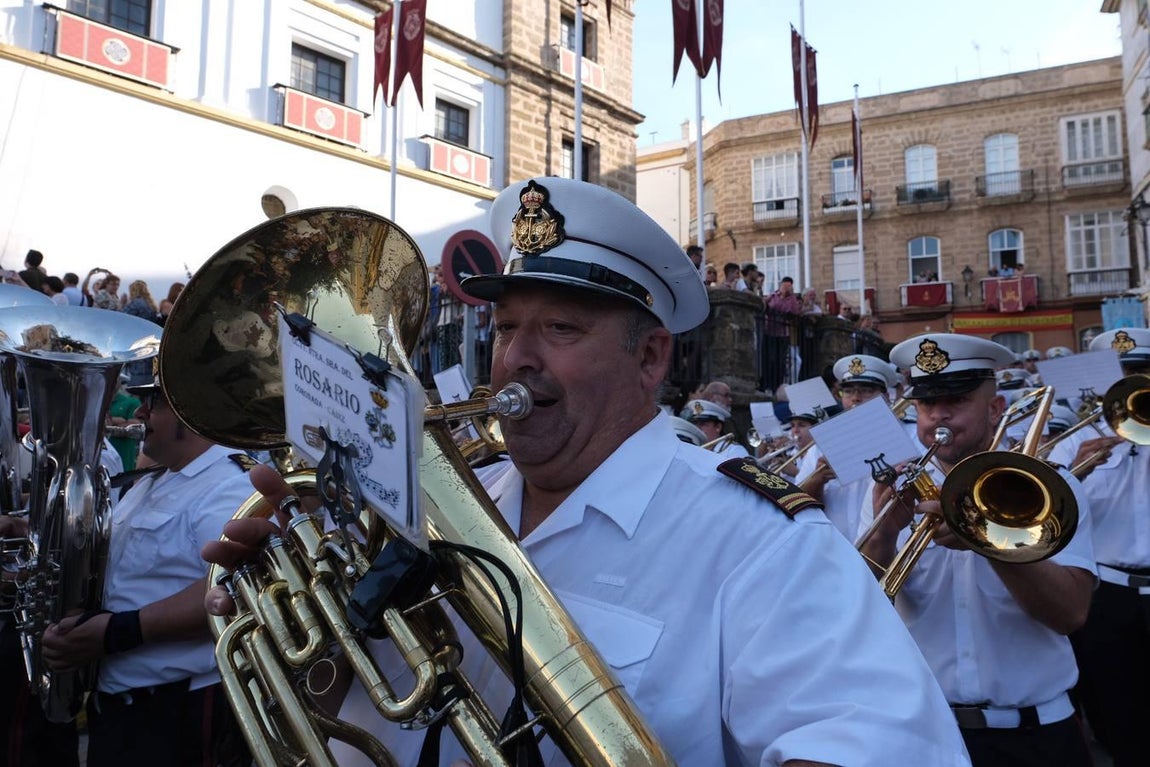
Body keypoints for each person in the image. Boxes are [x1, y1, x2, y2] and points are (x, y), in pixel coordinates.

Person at [204, 177, 969, 766]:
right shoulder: (423, 510)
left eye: (559, 328)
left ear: (649, 357)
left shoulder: (760, 541)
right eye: (505, 328)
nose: (515, 358)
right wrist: (319, 621)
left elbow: (880, 744)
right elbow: (356, 716)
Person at [858, 333, 1097, 767]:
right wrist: (883, 534)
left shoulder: (1052, 487)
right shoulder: (894, 488)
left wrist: (986, 541)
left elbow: (1070, 614)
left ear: (995, 409)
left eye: (956, 401)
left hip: (1036, 736)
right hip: (927, 731)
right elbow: (857, 606)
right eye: (927, 404)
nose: (938, 416)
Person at [40, 369, 252, 767]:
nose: (139, 412)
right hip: (124, 706)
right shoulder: (154, 481)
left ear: (190, 411)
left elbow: (235, 587)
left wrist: (119, 631)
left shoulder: (230, 483)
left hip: (174, 712)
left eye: (153, 402)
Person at [1049, 327, 1150, 767]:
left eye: (1141, 373)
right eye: (1121, 374)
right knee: (1113, 708)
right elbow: (1048, 523)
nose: (1131, 383)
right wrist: (1077, 472)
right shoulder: (1073, 441)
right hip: (1107, 594)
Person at [796, 354, 900, 540]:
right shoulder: (820, 446)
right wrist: (818, 479)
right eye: (848, 391)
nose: (855, 398)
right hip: (833, 550)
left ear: (885, 396)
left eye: (866, 390)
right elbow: (796, 504)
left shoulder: (907, 438)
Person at [762, 276, 802, 392]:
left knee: (780, 361)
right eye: (785, 285)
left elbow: (794, 313)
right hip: (769, 331)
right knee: (769, 359)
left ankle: (777, 385)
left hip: (783, 334)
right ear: (781, 285)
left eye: (789, 286)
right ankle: (767, 384)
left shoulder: (792, 299)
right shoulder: (773, 296)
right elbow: (765, 305)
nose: (786, 288)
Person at [683, 398, 748, 458]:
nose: (697, 429)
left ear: (718, 427)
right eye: (695, 424)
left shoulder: (734, 451)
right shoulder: (693, 449)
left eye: (703, 424)